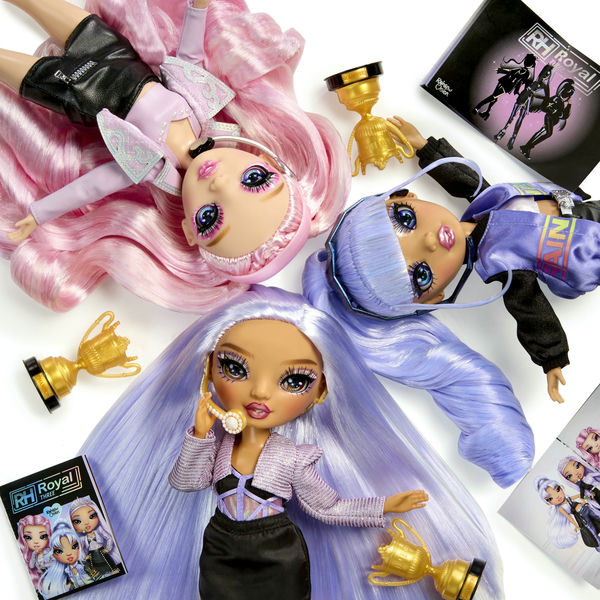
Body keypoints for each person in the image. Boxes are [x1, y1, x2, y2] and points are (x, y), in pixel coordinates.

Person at [78, 286, 503, 599]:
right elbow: (185, 482)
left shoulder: (294, 458)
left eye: (294, 380)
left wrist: (384, 505)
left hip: (276, 551)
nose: (261, 392)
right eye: (235, 367)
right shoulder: (219, 444)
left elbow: (327, 507)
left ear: (320, 392)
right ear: (208, 368)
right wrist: (201, 433)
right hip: (220, 546)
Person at [0, 0, 348, 312]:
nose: (220, 184)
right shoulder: (205, 112)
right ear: (269, 161)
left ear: (188, 230)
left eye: (210, 217)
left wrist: (39, 213)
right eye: (253, 179)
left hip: (79, 97)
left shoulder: (150, 165)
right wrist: (198, 9)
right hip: (117, 55)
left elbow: (94, 185)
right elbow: (188, 56)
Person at [311, 116, 599, 405]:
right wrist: (552, 359)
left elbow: (467, 181)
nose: (429, 242)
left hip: (580, 207)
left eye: (405, 218)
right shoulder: (499, 261)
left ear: (404, 196)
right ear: (435, 298)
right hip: (590, 248)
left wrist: (424, 147)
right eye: (421, 275)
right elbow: (530, 308)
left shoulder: (484, 207)